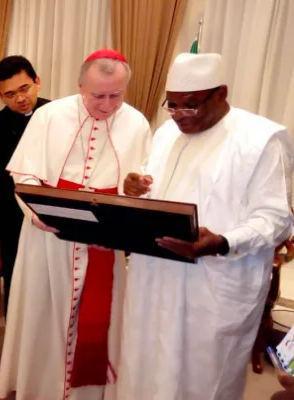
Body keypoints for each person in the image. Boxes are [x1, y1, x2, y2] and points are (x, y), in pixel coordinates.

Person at [118, 52, 294, 400]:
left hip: (213, 282)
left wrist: (223, 241)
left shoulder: (261, 139)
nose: (180, 115)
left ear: (220, 94)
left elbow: (276, 219)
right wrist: (134, 184)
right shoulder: (168, 131)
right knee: (145, 365)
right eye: (173, 105)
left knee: (202, 377)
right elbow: (156, 183)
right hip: (156, 275)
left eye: (191, 105)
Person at [0, 49, 152, 400]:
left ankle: (91, 391)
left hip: (104, 239)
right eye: (98, 95)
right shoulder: (49, 116)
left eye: (116, 95)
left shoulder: (138, 123)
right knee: (43, 314)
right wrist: (39, 213)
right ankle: (42, 389)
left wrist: (134, 189)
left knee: (100, 319)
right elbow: (23, 175)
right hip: (49, 238)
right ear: (80, 85)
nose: (107, 105)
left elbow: (142, 183)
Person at [0, 55, 50, 315]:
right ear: (0, 96)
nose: (20, 99)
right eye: (9, 95)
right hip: (12, 220)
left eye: (25, 89)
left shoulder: (57, 115)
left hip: (52, 216)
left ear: (37, 82)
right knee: (17, 283)